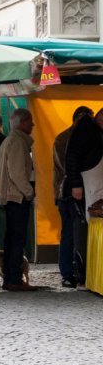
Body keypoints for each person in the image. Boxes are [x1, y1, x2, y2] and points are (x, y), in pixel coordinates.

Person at [54, 106, 93, 288]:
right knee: (72, 233)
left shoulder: (63, 137)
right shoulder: (71, 138)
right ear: (81, 118)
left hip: (66, 191)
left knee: (69, 233)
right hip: (71, 192)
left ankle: (69, 272)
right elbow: (67, 166)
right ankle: (70, 272)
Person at [63, 107, 103, 287]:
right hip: (84, 187)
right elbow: (71, 157)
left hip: (94, 186)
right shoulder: (85, 131)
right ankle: (80, 273)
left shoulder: (94, 132)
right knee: (79, 230)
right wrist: (76, 184)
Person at [0, 108, 36, 292]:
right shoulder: (17, 143)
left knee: (12, 238)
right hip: (17, 197)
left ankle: (11, 278)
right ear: (21, 123)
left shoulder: (9, 141)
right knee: (16, 239)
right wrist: (29, 192)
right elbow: (18, 174)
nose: (33, 125)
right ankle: (14, 278)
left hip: (12, 196)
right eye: (30, 122)